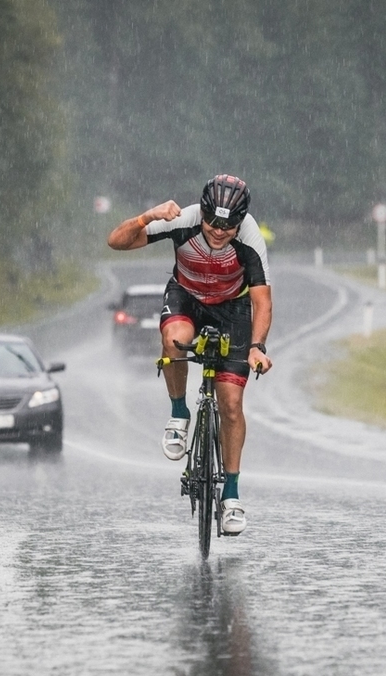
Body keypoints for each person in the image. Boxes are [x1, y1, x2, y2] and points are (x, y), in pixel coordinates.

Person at [107, 174, 273, 535]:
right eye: (212, 221)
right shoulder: (182, 219)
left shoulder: (250, 237)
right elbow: (115, 242)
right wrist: (147, 217)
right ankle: (179, 414)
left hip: (232, 309)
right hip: (187, 297)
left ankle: (231, 495)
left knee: (230, 403)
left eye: (228, 226)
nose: (218, 231)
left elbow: (261, 299)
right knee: (174, 341)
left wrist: (258, 347)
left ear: (240, 221)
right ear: (202, 213)